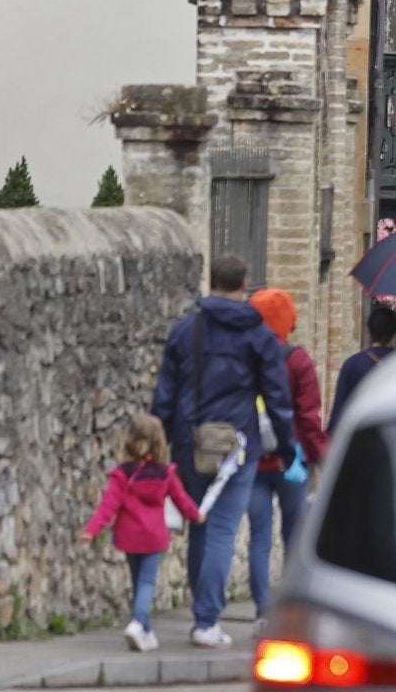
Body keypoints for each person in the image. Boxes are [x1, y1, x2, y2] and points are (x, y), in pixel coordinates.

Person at [150, 254, 295, 649]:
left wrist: (160, 445)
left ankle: (203, 611)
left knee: (200, 525)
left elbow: (164, 395)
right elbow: (277, 397)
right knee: (222, 531)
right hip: (237, 447)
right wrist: (285, 447)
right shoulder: (258, 336)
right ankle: (207, 620)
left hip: (188, 442)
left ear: (209, 282)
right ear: (245, 284)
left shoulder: (186, 331)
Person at [81, 412, 204, 653]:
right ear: (160, 442)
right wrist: (196, 515)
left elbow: (108, 506)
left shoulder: (122, 475)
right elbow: (182, 500)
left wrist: (91, 530)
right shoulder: (166, 474)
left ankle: (145, 630)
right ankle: (139, 623)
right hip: (153, 537)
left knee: (138, 583)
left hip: (128, 537)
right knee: (147, 583)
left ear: (128, 440)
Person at [245, 289, 329, 626]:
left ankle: (263, 608)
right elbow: (309, 416)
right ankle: (290, 608)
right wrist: (321, 454)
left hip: (252, 460)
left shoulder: (245, 357)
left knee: (259, 537)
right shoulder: (298, 360)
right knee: (294, 537)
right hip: (292, 461)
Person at [329, 305, 396, 431]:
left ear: (369, 330)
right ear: (394, 332)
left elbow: (338, 416)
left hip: (361, 439)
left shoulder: (353, 364)